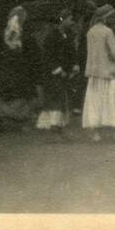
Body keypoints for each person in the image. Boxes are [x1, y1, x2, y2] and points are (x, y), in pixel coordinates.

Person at [82, 4, 115, 142]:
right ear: (106, 17)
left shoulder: (90, 32)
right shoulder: (108, 32)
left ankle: (95, 133)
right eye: (112, 17)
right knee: (113, 101)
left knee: (95, 101)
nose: (114, 19)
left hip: (94, 73)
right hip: (109, 72)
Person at [35, 7, 78, 135]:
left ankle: (58, 126)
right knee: (55, 98)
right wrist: (58, 70)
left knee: (62, 97)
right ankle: (52, 126)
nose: (72, 22)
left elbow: (72, 52)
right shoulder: (52, 35)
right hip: (53, 73)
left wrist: (74, 65)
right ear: (63, 20)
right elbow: (48, 56)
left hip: (65, 72)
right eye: (70, 19)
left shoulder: (69, 34)